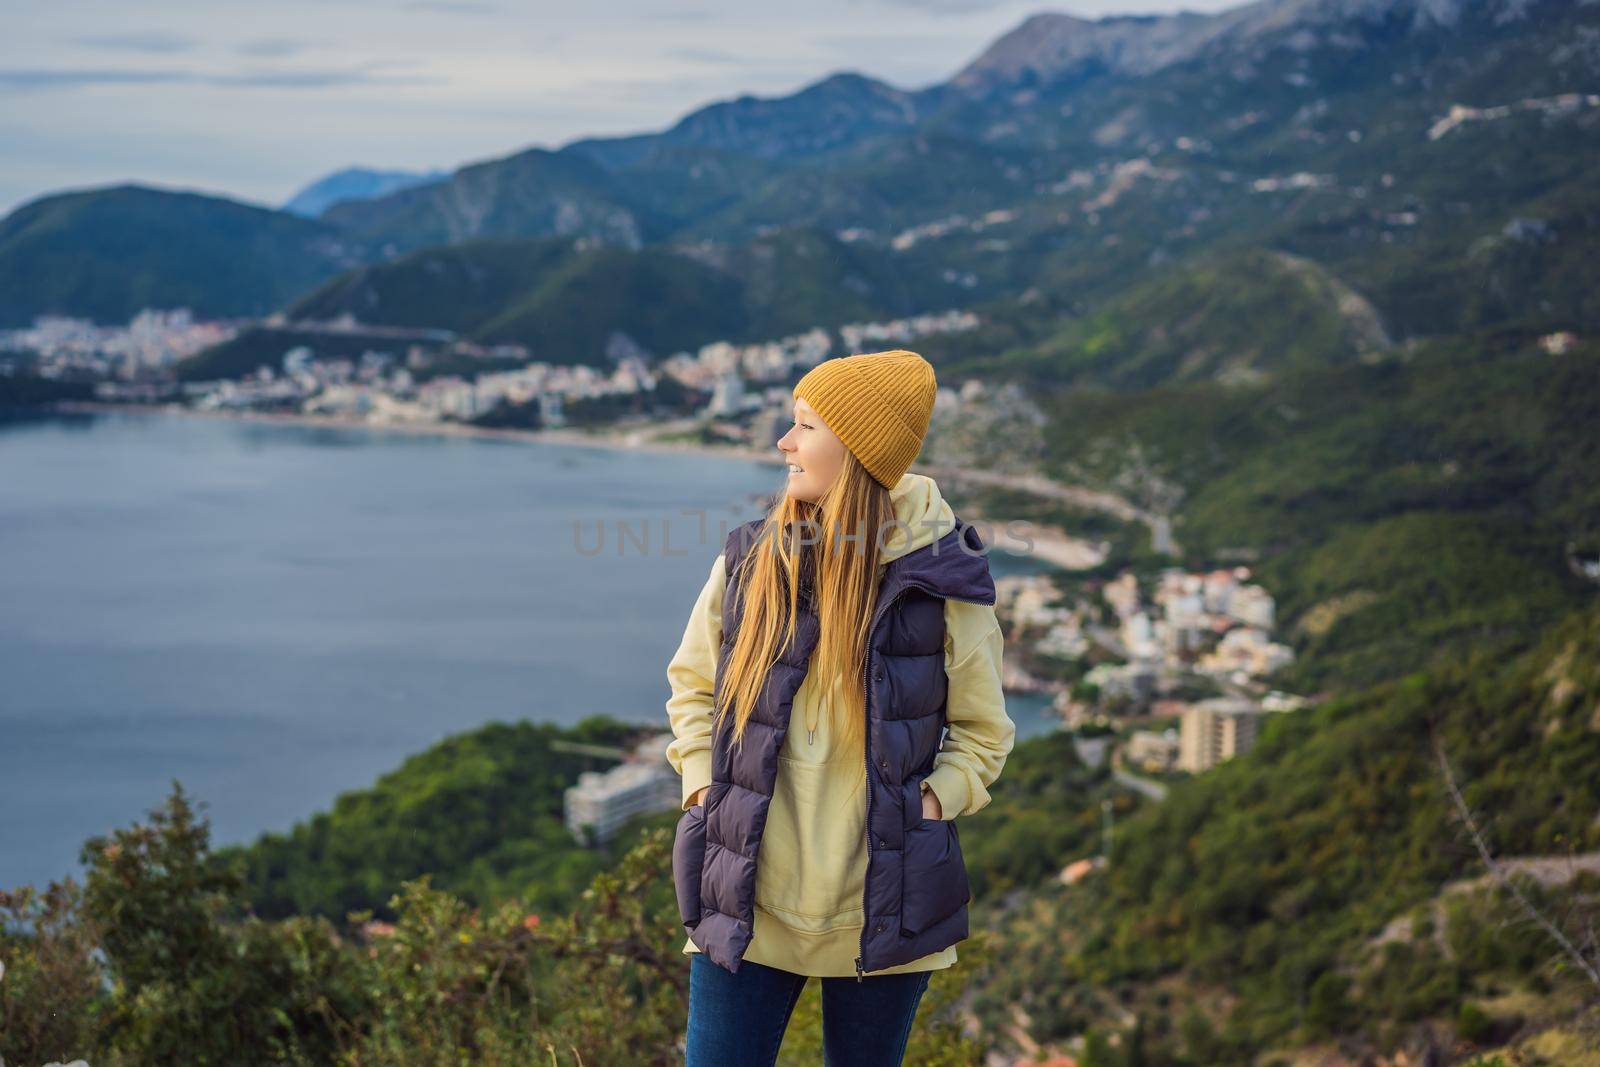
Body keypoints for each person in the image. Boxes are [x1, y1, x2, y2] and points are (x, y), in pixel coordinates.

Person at [662, 349, 1016, 1066]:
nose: (784, 443)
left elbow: (984, 734)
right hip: (746, 903)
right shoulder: (750, 562)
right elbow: (693, 688)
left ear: (856, 450)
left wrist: (932, 804)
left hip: (884, 911)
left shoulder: (942, 586)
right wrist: (703, 787)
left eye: (804, 426)